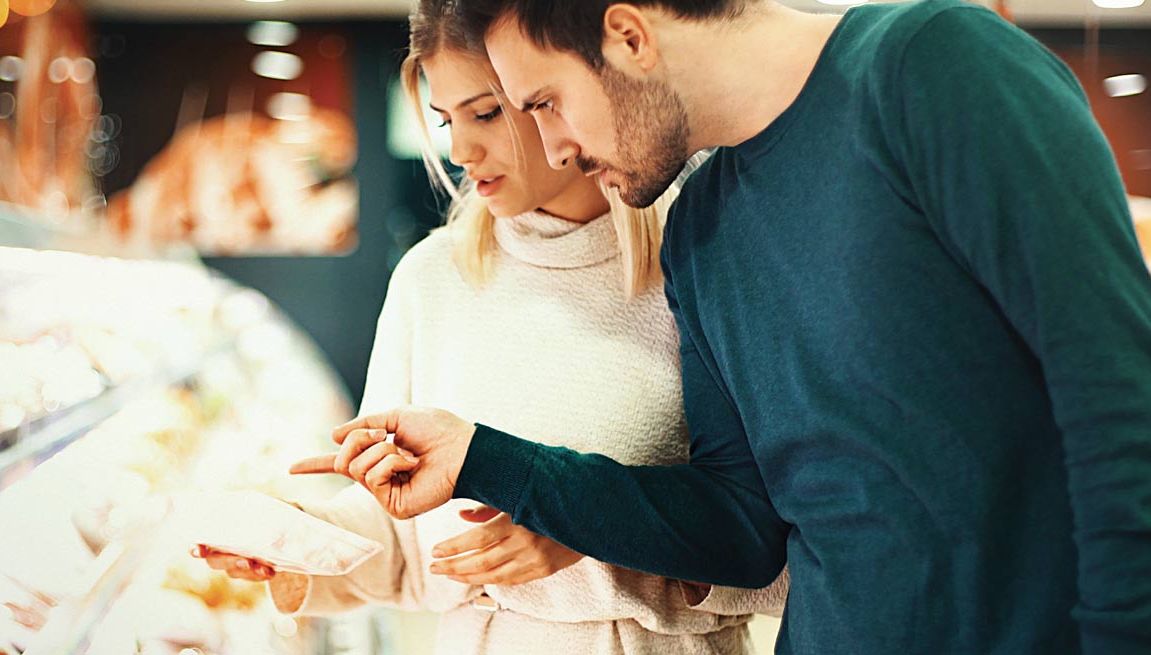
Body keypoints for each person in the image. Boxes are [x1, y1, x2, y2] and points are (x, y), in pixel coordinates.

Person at [308, 1, 1151, 653]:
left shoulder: (932, 68)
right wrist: (483, 456)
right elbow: (739, 526)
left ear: (627, 35)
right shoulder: (702, 228)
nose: (553, 148)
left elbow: (1131, 421)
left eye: (542, 101)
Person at [200, 1, 785, 653]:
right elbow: (410, 548)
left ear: (560, 92)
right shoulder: (430, 278)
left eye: (484, 112)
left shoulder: (707, 261)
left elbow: (778, 549)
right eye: (445, 119)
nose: (457, 149)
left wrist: (590, 528)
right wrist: (294, 542)